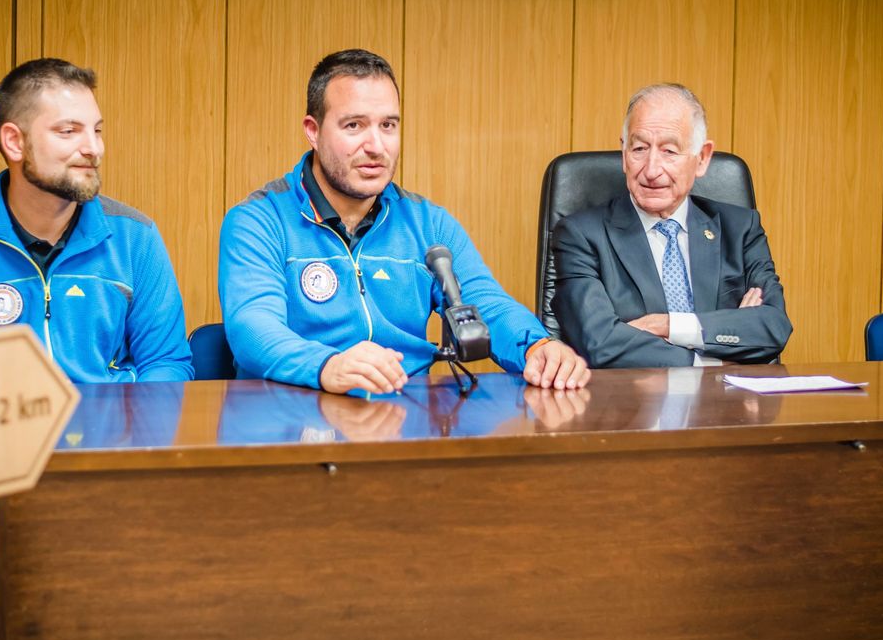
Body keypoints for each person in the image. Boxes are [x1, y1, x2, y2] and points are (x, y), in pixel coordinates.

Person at [218, 48, 588, 395]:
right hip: (291, 419)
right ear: (313, 131)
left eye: (388, 125)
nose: (376, 145)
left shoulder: (429, 225)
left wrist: (538, 346)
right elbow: (253, 327)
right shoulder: (258, 220)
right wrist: (326, 366)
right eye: (354, 126)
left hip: (401, 416)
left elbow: (486, 305)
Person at [0, 57, 193, 383]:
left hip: (109, 430)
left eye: (97, 130)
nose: (94, 148)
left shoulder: (136, 237)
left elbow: (166, 363)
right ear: (14, 142)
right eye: (69, 131)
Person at [551, 83, 792, 367]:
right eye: (639, 148)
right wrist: (710, 358)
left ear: (702, 158)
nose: (652, 170)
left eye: (669, 151)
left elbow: (773, 327)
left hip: (729, 408)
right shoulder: (581, 235)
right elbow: (599, 343)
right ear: (624, 153)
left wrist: (667, 326)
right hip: (632, 406)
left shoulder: (739, 230)